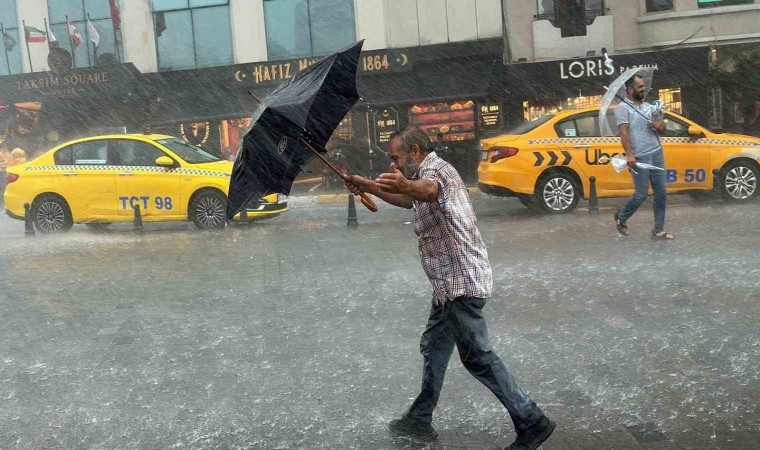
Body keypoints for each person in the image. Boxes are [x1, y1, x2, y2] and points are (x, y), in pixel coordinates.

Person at [345, 127, 555, 450]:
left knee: (478, 357)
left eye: (396, 157)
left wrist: (400, 184)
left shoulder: (436, 171)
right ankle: (420, 416)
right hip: (447, 286)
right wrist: (367, 185)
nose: (395, 164)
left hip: (461, 284)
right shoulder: (421, 173)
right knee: (435, 345)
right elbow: (408, 198)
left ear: (415, 151)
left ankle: (531, 420)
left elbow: (427, 191)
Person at [614, 74, 673, 240]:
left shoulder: (648, 107)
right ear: (630, 89)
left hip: (656, 152)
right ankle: (622, 216)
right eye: (640, 87)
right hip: (639, 157)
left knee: (661, 193)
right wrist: (630, 155)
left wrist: (659, 125)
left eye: (643, 86)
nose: (644, 89)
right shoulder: (622, 109)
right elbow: (623, 133)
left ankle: (658, 229)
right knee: (641, 195)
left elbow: (663, 130)